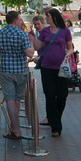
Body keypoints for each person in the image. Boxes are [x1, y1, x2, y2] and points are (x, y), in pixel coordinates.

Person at [29, 8, 73, 137]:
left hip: (61, 68)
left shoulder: (65, 31)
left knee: (62, 96)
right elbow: (38, 47)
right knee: (49, 94)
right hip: (46, 67)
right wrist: (32, 38)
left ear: (53, 17)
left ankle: (55, 118)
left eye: (47, 16)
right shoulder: (45, 31)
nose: (46, 18)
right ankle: (55, 127)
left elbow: (70, 48)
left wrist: (68, 54)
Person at [0, 11, 34, 139]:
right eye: (20, 20)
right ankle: (16, 129)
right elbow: (29, 53)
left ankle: (14, 128)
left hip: (6, 71)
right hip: (21, 71)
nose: (21, 22)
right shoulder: (22, 34)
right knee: (17, 100)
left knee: (10, 100)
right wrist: (31, 42)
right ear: (15, 21)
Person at [32, 15, 49, 127]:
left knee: (50, 92)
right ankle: (49, 116)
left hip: (48, 64)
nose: (37, 26)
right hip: (43, 64)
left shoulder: (46, 33)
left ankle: (50, 117)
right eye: (35, 24)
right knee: (48, 92)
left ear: (43, 23)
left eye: (38, 24)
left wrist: (39, 57)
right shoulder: (38, 34)